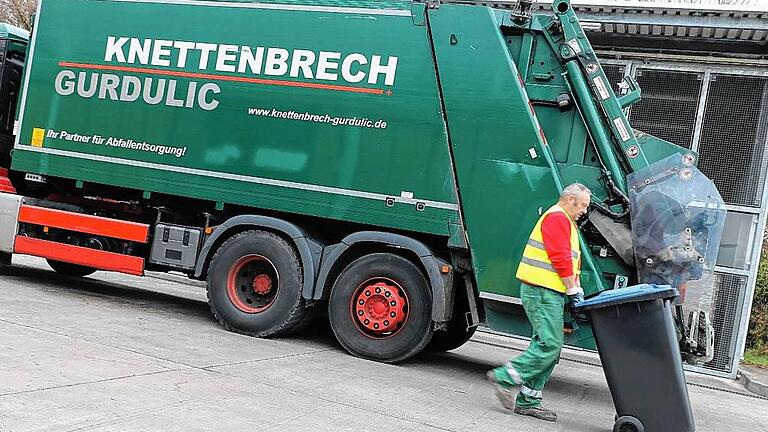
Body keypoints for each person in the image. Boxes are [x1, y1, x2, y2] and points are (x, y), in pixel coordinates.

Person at [486, 183, 591, 422]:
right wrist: (573, 289)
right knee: (550, 345)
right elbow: (560, 258)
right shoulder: (557, 218)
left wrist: (575, 289)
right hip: (541, 291)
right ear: (571, 200)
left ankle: (529, 401)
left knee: (548, 348)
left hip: (549, 292)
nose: (585, 211)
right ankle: (504, 377)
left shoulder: (565, 221)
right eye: (583, 205)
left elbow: (570, 261)